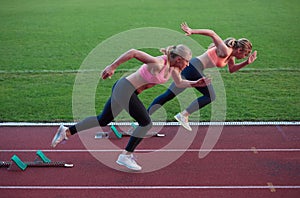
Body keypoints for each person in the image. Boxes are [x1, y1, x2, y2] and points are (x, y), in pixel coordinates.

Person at [51, 44, 211, 171]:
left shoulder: (173, 69)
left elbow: (179, 83)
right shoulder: (159, 62)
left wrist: (194, 84)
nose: (188, 64)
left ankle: (67, 130)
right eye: (187, 61)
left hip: (125, 90)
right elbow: (133, 52)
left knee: (103, 119)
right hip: (125, 89)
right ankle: (126, 156)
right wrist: (112, 66)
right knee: (146, 123)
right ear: (178, 59)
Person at [147, 22, 258, 131]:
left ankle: (142, 120)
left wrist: (247, 63)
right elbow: (212, 33)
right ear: (239, 50)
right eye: (244, 55)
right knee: (210, 95)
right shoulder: (225, 51)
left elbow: (232, 69)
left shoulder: (230, 56)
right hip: (195, 67)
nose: (243, 57)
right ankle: (183, 115)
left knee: (168, 95)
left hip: (192, 67)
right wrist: (192, 31)